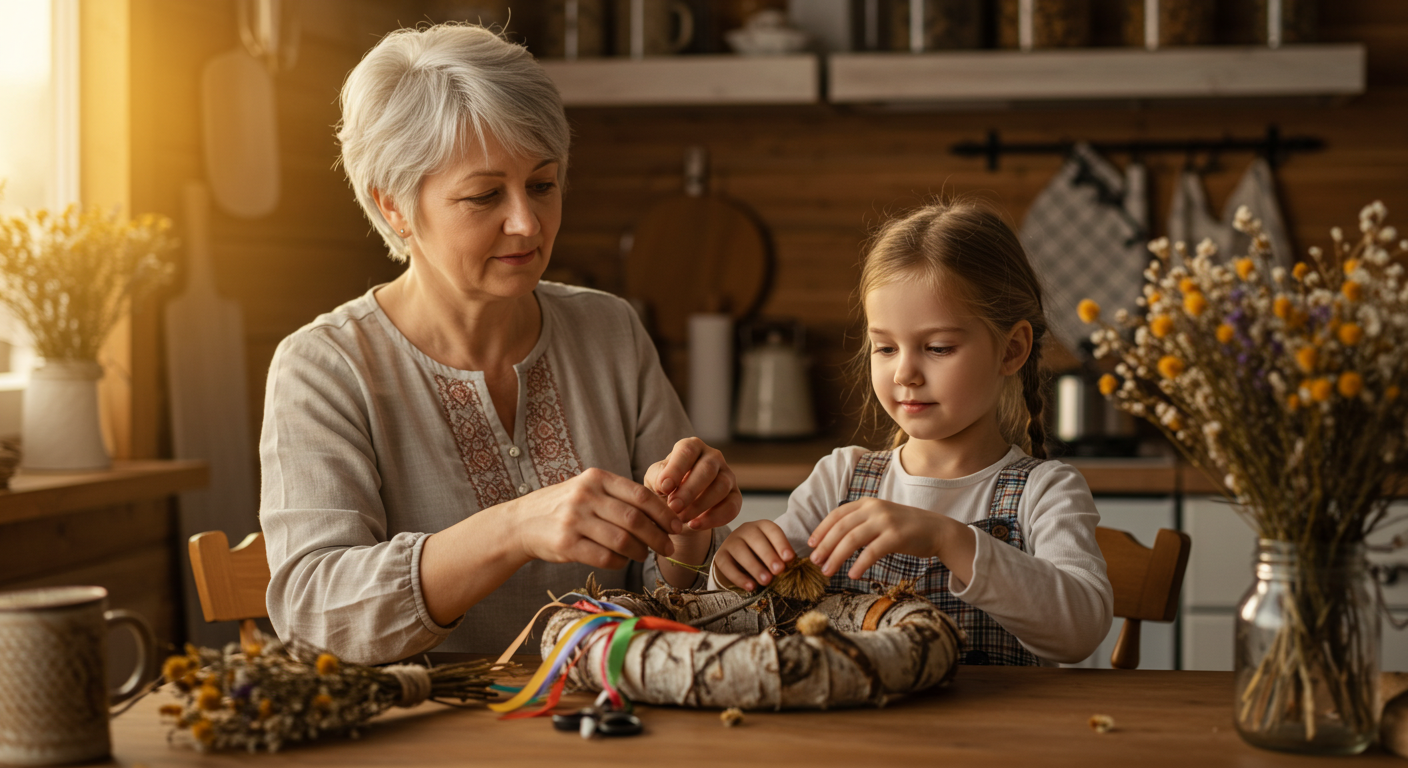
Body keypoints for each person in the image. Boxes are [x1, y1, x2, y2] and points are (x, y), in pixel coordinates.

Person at [259, 24, 739, 665]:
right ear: (395, 206)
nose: (528, 222)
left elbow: (677, 598)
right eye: (485, 194)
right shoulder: (324, 368)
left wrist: (688, 538)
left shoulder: (610, 331)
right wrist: (513, 527)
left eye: (542, 184)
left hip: (614, 727)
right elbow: (317, 613)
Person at [712, 200, 1112, 666]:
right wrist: (730, 569)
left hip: (997, 737)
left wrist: (949, 538)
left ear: (1012, 349)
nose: (905, 373)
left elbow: (1081, 630)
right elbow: (748, 612)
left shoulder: (1046, 492)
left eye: (938, 347)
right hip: (861, 734)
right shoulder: (840, 479)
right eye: (884, 347)